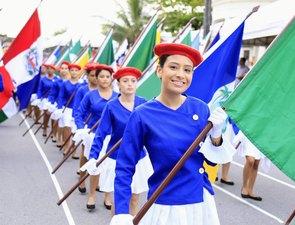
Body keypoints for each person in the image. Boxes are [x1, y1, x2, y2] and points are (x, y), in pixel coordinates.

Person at [110, 43, 234, 225]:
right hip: (164, 203)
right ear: (159, 70)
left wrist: (216, 135)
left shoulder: (200, 108)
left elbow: (211, 161)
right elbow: (125, 166)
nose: (181, 75)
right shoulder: (142, 115)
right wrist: (121, 211)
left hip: (200, 201)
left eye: (187, 70)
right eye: (173, 67)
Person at [83, 67, 153, 214]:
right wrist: (93, 157)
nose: (129, 84)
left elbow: (153, 131)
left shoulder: (144, 104)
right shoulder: (111, 106)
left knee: (135, 198)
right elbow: (101, 134)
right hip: (117, 158)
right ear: (118, 84)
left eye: (133, 81)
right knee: (120, 200)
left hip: (138, 157)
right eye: (125, 81)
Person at [75, 63, 117, 209]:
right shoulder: (90, 95)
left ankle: (107, 196)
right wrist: (82, 129)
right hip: (95, 135)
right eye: (101, 76)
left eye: (107, 77)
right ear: (96, 78)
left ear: (112, 78)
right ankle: (92, 196)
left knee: (110, 167)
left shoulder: (118, 97)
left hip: (113, 137)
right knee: (95, 164)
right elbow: (79, 113)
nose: (105, 79)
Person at [233, 130, 270, 201]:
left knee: (256, 163)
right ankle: (244, 186)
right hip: (250, 131)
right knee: (250, 160)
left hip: (262, 134)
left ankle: (250, 190)